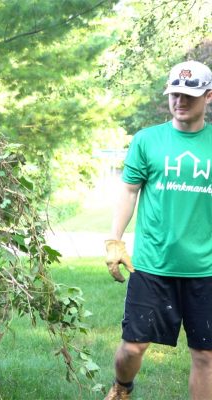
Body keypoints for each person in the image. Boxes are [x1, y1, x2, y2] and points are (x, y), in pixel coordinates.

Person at [104, 60, 212, 400]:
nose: (180, 102)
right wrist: (114, 240)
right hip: (152, 265)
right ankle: (122, 386)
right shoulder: (147, 140)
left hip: (206, 269)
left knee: (206, 356)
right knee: (132, 349)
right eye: (174, 94)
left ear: (208, 96)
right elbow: (129, 190)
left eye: (189, 96)